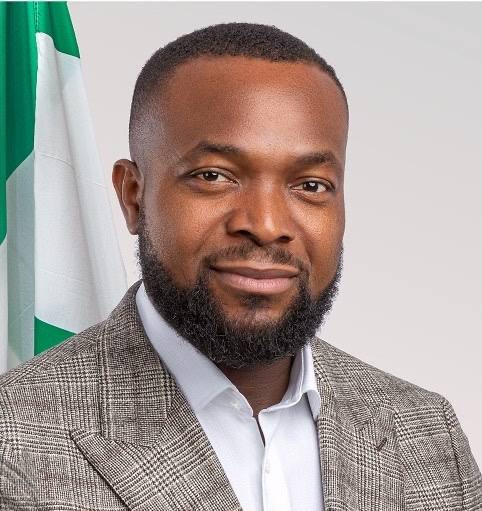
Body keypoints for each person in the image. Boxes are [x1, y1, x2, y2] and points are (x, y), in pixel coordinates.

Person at [0, 22, 480, 511]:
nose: (267, 225)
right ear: (133, 196)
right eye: (214, 176)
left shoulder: (425, 432)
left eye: (311, 185)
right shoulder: (14, 440)